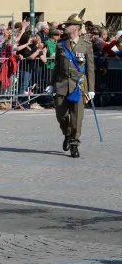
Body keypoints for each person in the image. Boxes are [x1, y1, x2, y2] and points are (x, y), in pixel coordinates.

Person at [47, 13, 95, 158]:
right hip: (62, 84)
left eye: (68, 25)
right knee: (60, 114)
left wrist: (91, 89)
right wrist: (52, 84)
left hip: (79, 86)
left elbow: (90, 68)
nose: (65, 27)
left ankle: (74, 144)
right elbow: (56, 67)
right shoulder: (61, 45)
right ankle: (67, 134)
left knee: (77, 117)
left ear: (75, 28)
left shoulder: (86, 45)